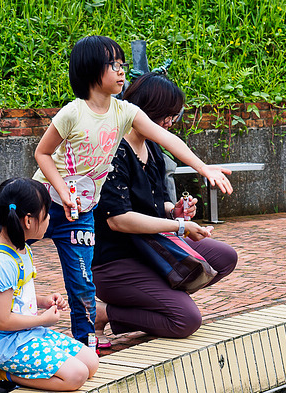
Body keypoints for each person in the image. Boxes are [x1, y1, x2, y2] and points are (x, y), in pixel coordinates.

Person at [32, 36, 232, 346]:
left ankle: (90, 337)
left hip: (96, 220)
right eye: (113, 65)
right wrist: (62, 191)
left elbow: (169, 142)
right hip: (53, 204)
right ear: (91, 71)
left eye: (122, 64)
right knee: (4, 246)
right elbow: (43, 153)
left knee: (81, 281)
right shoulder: (78, 117)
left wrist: (202, 168)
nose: (121, 70)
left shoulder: (128, 117)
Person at [93, 73, 238, 339]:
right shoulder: (113, 151)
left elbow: (157, 201)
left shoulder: (152, 148)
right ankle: (104, 312)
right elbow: (118, 220)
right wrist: (180, 226)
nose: (170, 122)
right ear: (146, 110)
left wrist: (175, 210)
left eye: (174, 116)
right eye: (166, 115)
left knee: (225, 257)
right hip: (118, 260)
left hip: (154, 248)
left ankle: (160, 298)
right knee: (185, 320)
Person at [0, 178, 99, 393]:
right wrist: (43, 320)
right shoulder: (1, 263)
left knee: (91, 362)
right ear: (28, 220)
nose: (50, 219)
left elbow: (15, 297)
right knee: (76, 376)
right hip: (8, 345)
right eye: (46, 214)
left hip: (29, 333)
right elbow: (1, 319)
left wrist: (44, 301)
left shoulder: (21, 249)